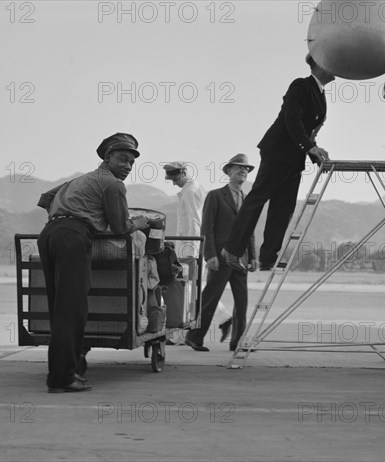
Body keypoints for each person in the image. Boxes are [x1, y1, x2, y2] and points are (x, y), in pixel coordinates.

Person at [37, 132, 149, 393]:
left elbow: (45, 199)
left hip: (50, 234)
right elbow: (121, 227)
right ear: (107, 158)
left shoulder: (82, 179)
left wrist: (69, 215)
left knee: (59, 308)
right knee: (72, 309)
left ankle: (66, 370)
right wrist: (138, 224)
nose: (127, 166)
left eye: (131, 163)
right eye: (122, 159)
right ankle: (62, 378)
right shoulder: (113, 184)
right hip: (72, 238)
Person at [222, 54, 335, 272]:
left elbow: (308, 131)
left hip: (294, 158)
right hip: (278, 152)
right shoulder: (301, 85)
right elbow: (292, 119)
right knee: (257, 200)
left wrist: (314, 155)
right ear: (320, 65)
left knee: (283, 209)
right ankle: (232, 250)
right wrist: (309, 147)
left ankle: (268, 257)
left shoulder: (321, 95)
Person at [185, 154, 257, 352]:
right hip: (221, 257)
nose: (243, 171)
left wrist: (253, 256)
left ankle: (237, 342)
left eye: (246, 169)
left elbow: (249, 230)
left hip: (241, 259)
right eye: (239, 168)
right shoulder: (215, 196)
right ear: (229, 171)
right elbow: (206, 228)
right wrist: (211, 256)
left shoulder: (248, 199)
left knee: (242, 303)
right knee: (210, 299)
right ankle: (194, 337)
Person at [163, 161, 233, 344]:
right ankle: (223, 319)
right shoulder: (191, 189)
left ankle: (223, 319)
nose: (174, 182)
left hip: (191, 246)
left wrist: (193, 249)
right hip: (188, 245)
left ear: (183, 173)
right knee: (192, 288)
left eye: (175, 177)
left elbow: (196, 220)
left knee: (189, 288)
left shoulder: (190, 191)